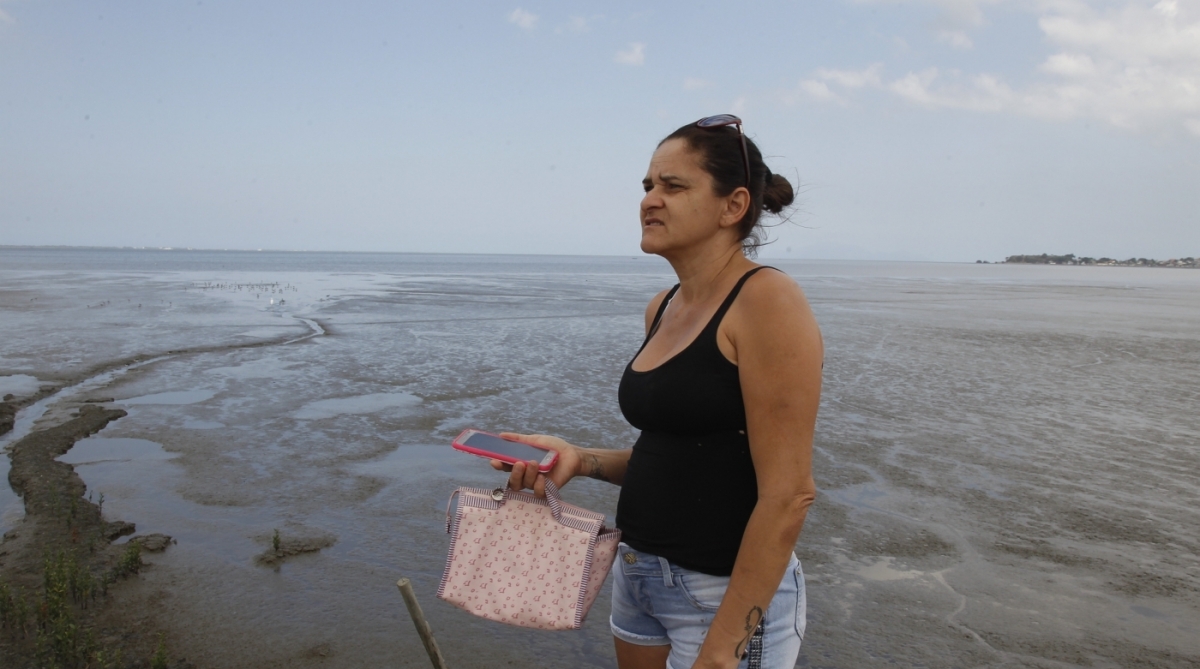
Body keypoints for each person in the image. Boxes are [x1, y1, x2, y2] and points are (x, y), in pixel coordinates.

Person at [492, 115, 823, 669]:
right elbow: (678, 456)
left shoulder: (767, 301)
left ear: (733, 205)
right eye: (648, 185)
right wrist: (579, 459)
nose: (650, 199)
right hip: (639, 576)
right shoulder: (663, 306)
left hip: (720, 593)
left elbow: (789, 495)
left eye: (674, 185)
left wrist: (722, 651)